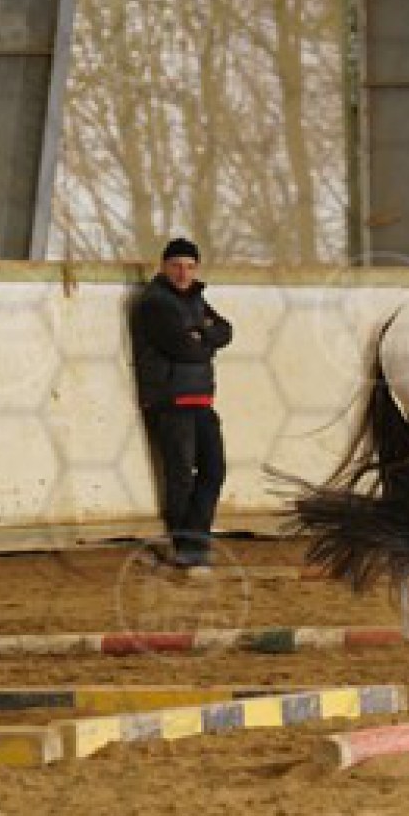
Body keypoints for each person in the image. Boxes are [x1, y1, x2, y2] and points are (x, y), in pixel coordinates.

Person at [131, 237, 232, 572]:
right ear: (164, 266)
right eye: (176, 265)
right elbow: (185, 348)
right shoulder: (155, 303)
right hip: (170, 401)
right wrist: (204, 337)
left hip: (201, 399)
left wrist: (201, 334)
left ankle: (195, 542)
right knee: (180, 475)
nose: (183, 273)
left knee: (214, 470)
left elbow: (226, 331)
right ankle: (185, 547)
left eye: (189, 266)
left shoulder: (196, 300)